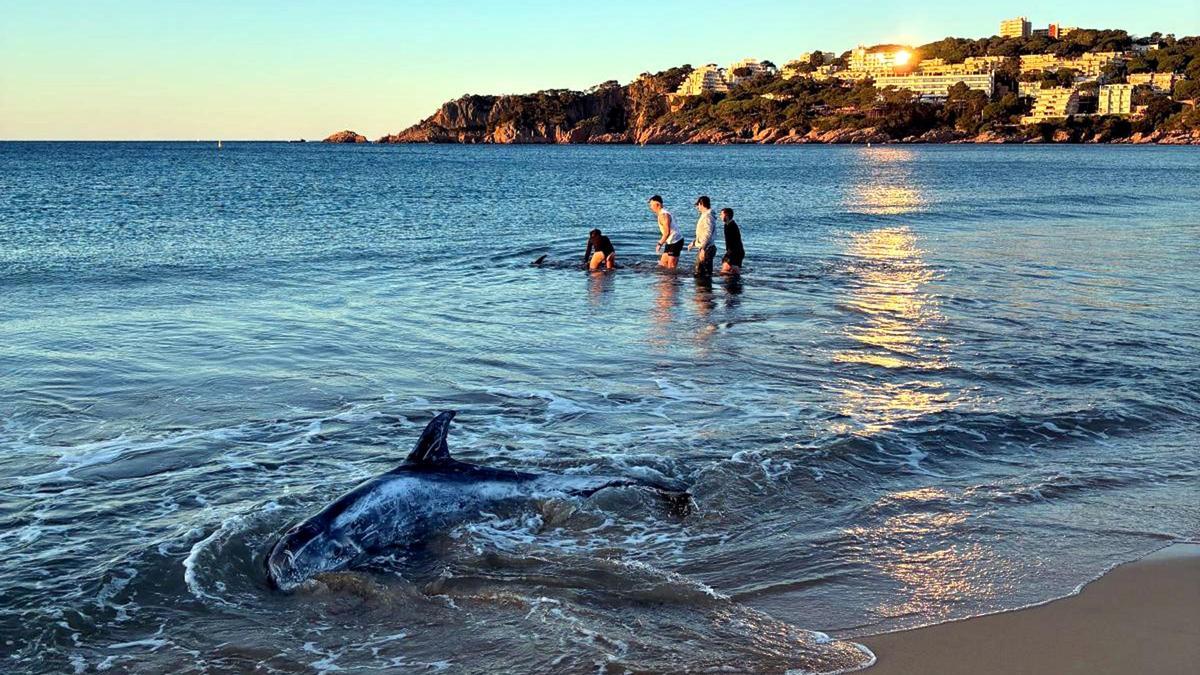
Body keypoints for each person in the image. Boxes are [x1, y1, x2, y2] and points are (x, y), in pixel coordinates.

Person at [649, 195, 683, 269]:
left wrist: (659, 243)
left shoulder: (664, 215)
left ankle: (674, 280)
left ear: (657, 204)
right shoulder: (662, 213)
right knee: (662, 264)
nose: (650, 207)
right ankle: (664, 280)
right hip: (670, 241)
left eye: (651, 205)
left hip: (675, 241)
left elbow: (667, 232)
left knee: (671, 267)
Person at [688, 196, 718, 277]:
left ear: (701, 204)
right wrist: (694, 242)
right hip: (707, 247)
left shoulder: (707, 217)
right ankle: (704, 288)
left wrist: (703, 248)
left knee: (702, 273)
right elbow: (702, 233)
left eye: (697, 205)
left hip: (707, 248)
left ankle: (704, 289)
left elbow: (707, 234)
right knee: (702, 272)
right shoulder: (706, 215)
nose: (697, 207)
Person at [719, 207, 744, 275]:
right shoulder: (727, 225)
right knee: (731, 272)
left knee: (726, 271)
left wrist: (729, 254)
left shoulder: (732, 226)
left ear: (726, 216)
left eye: (721, 214)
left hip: (735, 252)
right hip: (733, 251)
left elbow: (734, 242)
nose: (720, 216)